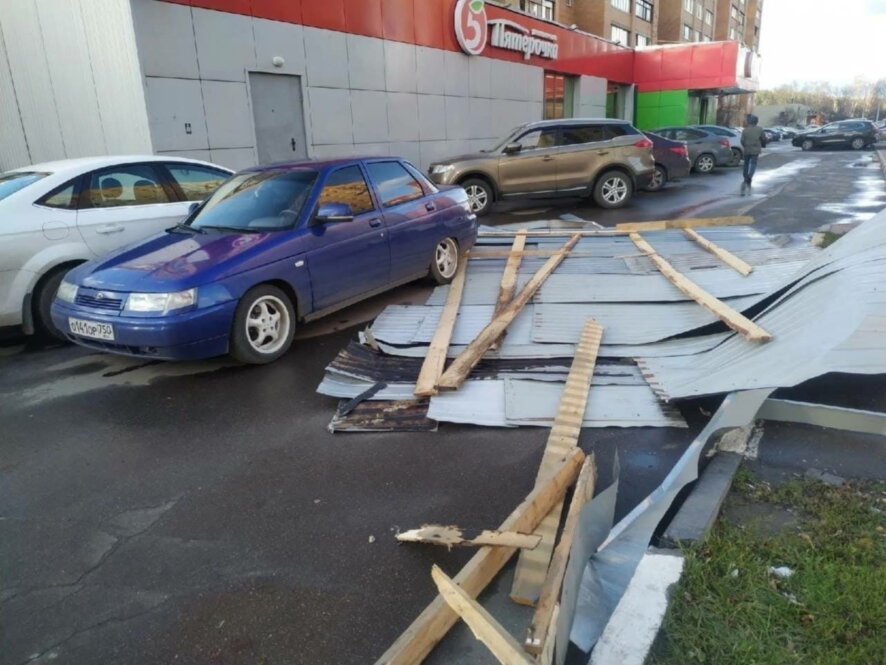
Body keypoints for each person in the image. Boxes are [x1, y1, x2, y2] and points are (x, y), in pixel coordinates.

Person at [740, 114, 766, 186]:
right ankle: (750, 176)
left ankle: (745, 177)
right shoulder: (760, 129)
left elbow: (742, 140)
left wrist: (745, 145)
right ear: (756, 122)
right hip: (756, 149)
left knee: (746, 164)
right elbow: (764, 138)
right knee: (753, 164)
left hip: (747, 149)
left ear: (749, 121)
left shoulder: (745, 130)